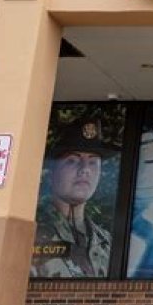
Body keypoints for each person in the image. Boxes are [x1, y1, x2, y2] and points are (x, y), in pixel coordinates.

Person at [31, 119, 117, 278]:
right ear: (51, 172)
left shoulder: (107, 242)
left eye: (93, 162)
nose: (85, 169)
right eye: (72, 161)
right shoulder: (31, 231)